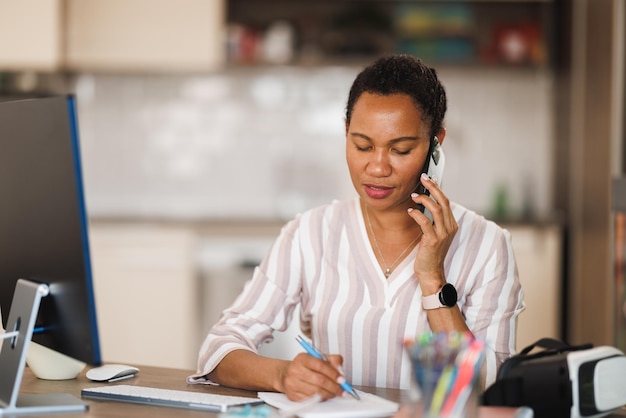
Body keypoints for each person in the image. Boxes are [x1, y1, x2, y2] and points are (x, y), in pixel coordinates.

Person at [189, 54, 525, 402]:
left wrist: (433, 280)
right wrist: (283, 374)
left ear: (435, 144)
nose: (377, 167)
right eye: (362, 145)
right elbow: (217, 349)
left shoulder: (487, 245)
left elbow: (490, 386)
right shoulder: (311, 233)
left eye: (401, 149)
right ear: (346, 132)